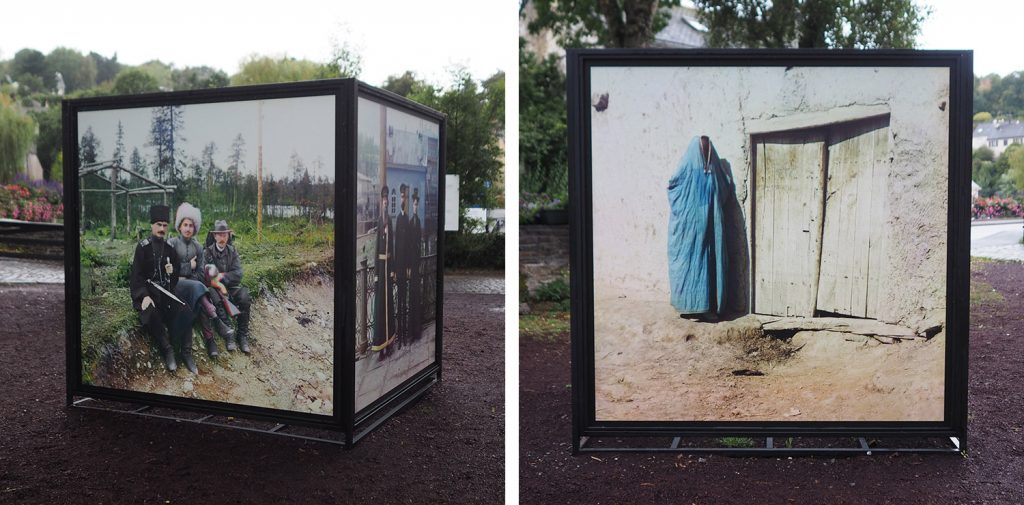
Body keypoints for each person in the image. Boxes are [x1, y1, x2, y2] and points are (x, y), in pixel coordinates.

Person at [667, 135, 735, 320]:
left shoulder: (714, 171)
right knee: (689, 264)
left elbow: (724, 188)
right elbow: (673, 186)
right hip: (690, 230)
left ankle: (705, 308)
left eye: (707, 149)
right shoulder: (688, 167)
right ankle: (688, 307)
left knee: (707, 264)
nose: (705, 152)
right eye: (702, 149)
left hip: (711, 229)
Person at [129, 204, 197, 373]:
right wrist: (143, 295)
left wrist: (172, 273)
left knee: (185, 310)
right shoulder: (142, 248)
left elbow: (172, 282)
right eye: (158, 224)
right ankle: (167, 349)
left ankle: (186, 352)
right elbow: (136, 277)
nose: (161, 228)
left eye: (164, 225)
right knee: (150, 312)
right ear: (152, 225)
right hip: (149, 294)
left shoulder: (170, 249)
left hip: (165, 294)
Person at [167, 202, 233, 358]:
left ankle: (210, 341)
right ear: (179, 226)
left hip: (194, 289)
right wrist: (189, 266)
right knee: (199, 292)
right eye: (185, 225)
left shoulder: (198, 247)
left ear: (194, 228)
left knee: (200, 300)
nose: (188, 228)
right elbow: (169, 272)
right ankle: (216, 321)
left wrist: (187, 274)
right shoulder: (172, 244)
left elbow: (200, 275)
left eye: (191, 225)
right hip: (175, 288)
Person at [202, 220, 252, 354]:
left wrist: (222, 276)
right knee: (214, 296)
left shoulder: (233, 251)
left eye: (225, 235)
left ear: (228, 236)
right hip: (215, 288)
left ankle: (242, 335)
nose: (222, 238)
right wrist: (218, 284)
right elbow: (205, 275)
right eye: (219, 235)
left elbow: (238, 274)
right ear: (214, 236)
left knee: (245, 297)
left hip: (232, 287)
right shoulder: (207, 252)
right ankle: (229, 333)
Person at [371, 185, 397, 356]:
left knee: (389, 304)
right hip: (381, 268)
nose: (385, 203)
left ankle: (389, 342)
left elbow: (392, 248)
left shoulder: (390, 221)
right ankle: (380, 344)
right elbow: (375, 250)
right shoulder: (380, 221)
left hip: (388, 268)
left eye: (387, 201)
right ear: (381, 203)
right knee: (380, 306)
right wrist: (376, 274)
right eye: (384, 201)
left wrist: (392, 269)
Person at [394, 184, 411, 348]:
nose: (403, 200)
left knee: (404, 302)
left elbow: (409, 245)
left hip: (405, 267)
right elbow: (395, 244)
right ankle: (399, 336)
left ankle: (405, 335)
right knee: (398, 301)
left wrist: (408, 267)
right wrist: (393, 269)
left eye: (404, 197)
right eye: (401, 197)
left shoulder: (407, 219)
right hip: (397, 268)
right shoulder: (398, 219)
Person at [407, 187, 423, 342]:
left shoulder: (418, 222)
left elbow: (418, 243)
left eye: (417, 205)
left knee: (416, 295)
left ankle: (417, 330)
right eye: (414, 205)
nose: (415, 207)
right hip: (411, 265)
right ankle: (411, 330)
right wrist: (409, 267)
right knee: (411, 297)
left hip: (416, 263)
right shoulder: (411, 222)